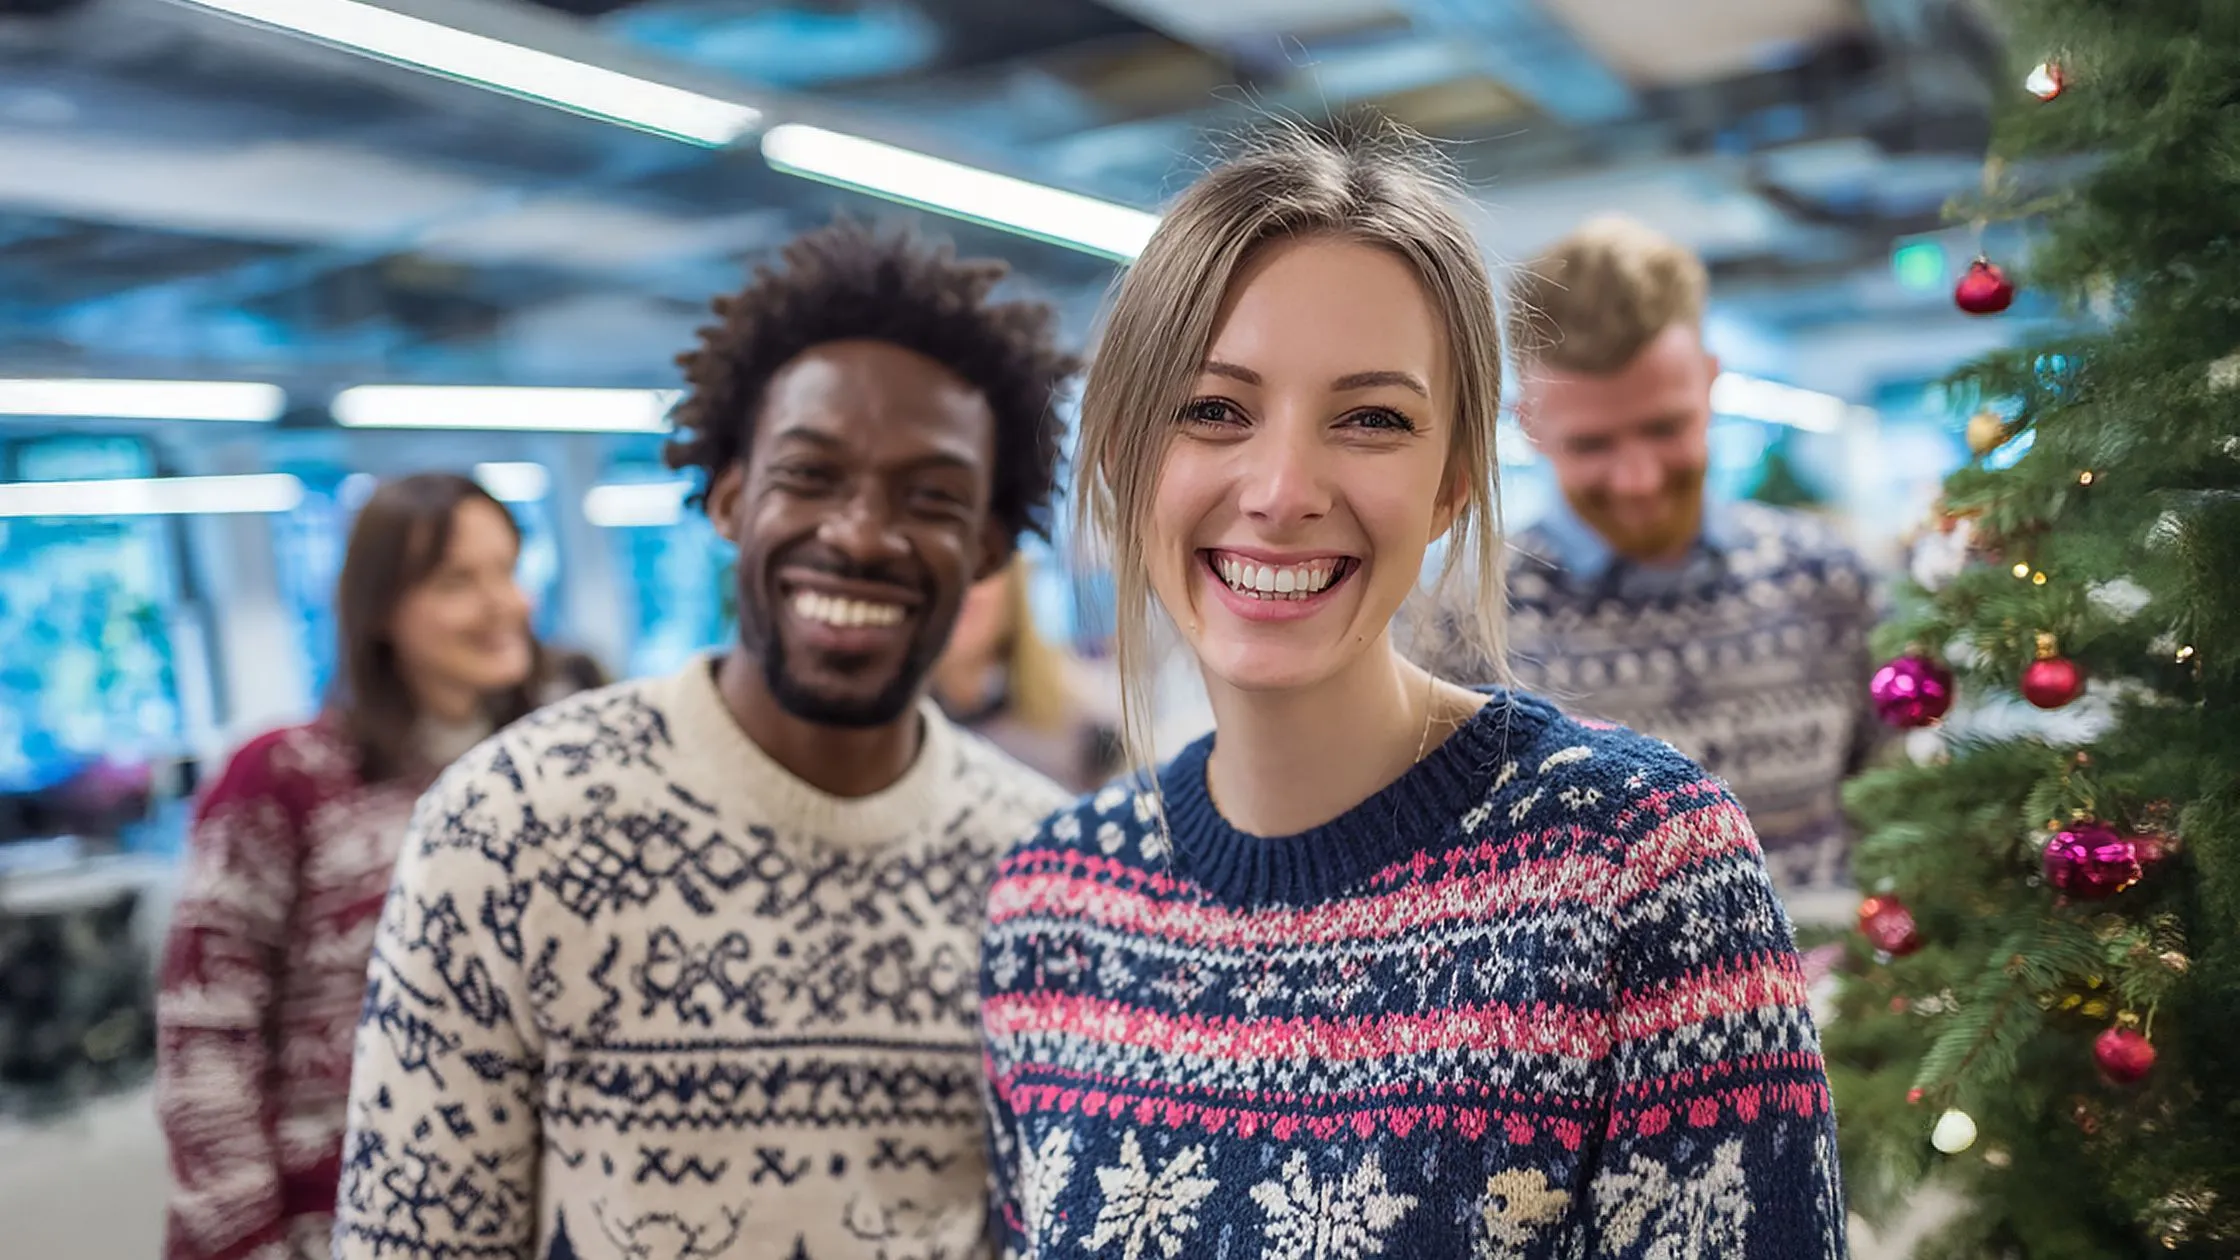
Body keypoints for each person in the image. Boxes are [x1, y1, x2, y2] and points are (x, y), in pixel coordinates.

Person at [979, 116, 1845, 1259]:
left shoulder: (1636, 867)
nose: (1282, 489)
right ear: (1123, 454)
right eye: (1211, 408)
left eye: (1371, 419)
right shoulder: (1048, 909)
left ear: (1449, 485)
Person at [333, 219, 1080, 1260]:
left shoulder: (1047, 873)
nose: (860, 534)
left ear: (989, 545)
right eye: (810, 477)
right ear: (730, 494)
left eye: (930, 497)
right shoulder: (508, 826)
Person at [1406, 215, 1880, 916]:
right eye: (1593, 443)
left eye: (1665, 428)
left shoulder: (1829, 583)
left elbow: (1901, 818)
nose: (1637, 478)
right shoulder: (1456, 624)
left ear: (1711, 383)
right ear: (1529, 421)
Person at [158, 472, 540, 1260]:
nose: (505, 604)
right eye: (459, 581)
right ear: (382, 609)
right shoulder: (282, 778)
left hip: (507, 1218)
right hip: (321, 1223)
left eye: (507, 569)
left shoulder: (542, 778)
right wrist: (246, 1240)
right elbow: (206, 1037)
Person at [930, 553, 1120, 792]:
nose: (965, 588)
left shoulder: (1088, 729)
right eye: (946, 571)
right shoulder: (888, 737)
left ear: (1014, 587)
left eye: (981, 567)